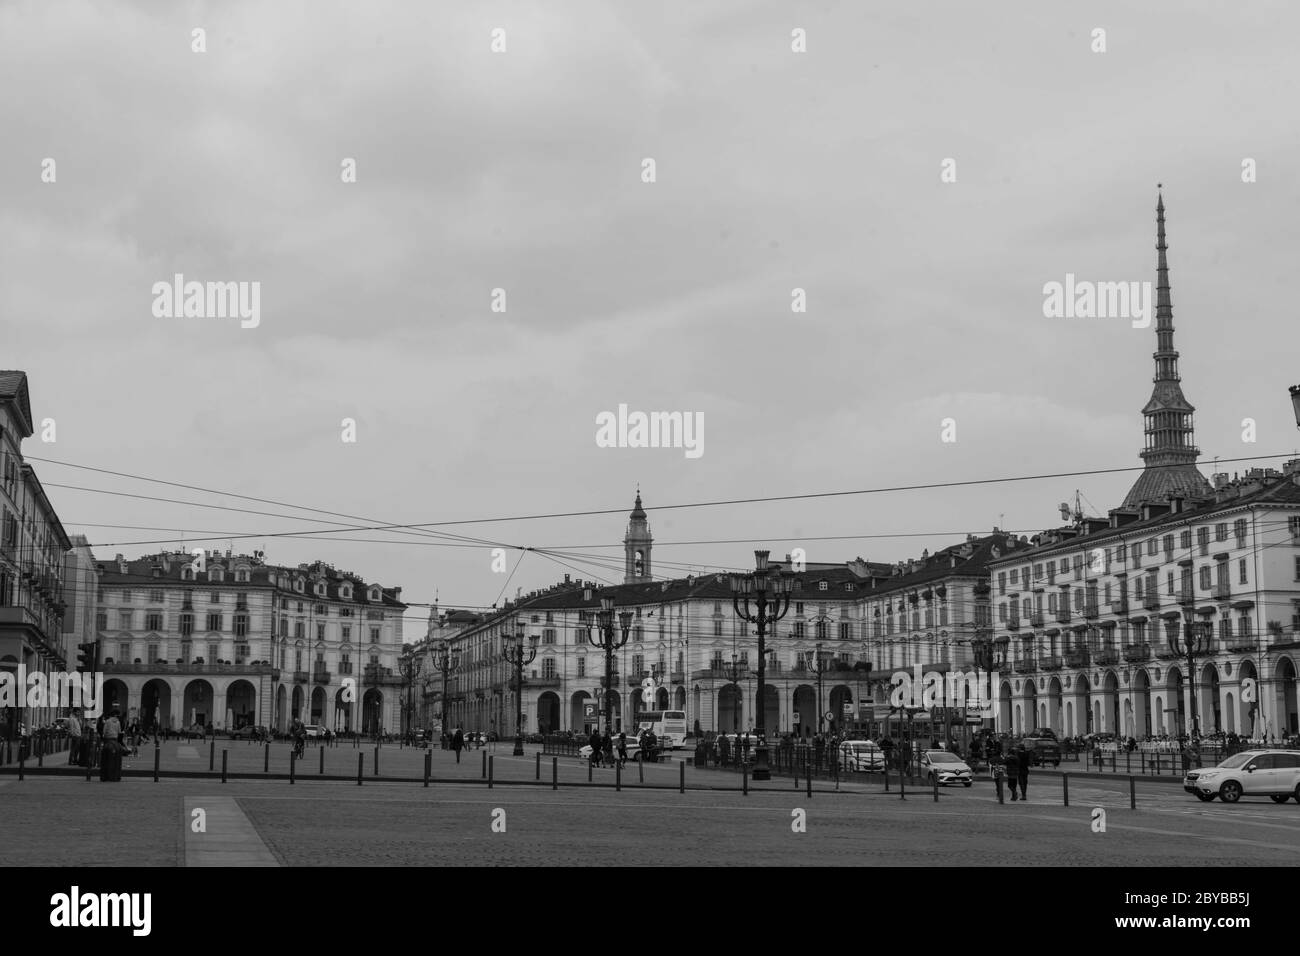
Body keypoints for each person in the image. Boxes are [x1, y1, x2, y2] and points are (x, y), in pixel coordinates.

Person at [100, 709, 123, 782]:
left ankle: (106, 776)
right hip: (115, 741)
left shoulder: (107, 721)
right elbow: (119, 732)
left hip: (108, 740)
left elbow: (104, 731)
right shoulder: (118, 722)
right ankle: (115, 776)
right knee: (115, 759)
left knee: (106, 758)